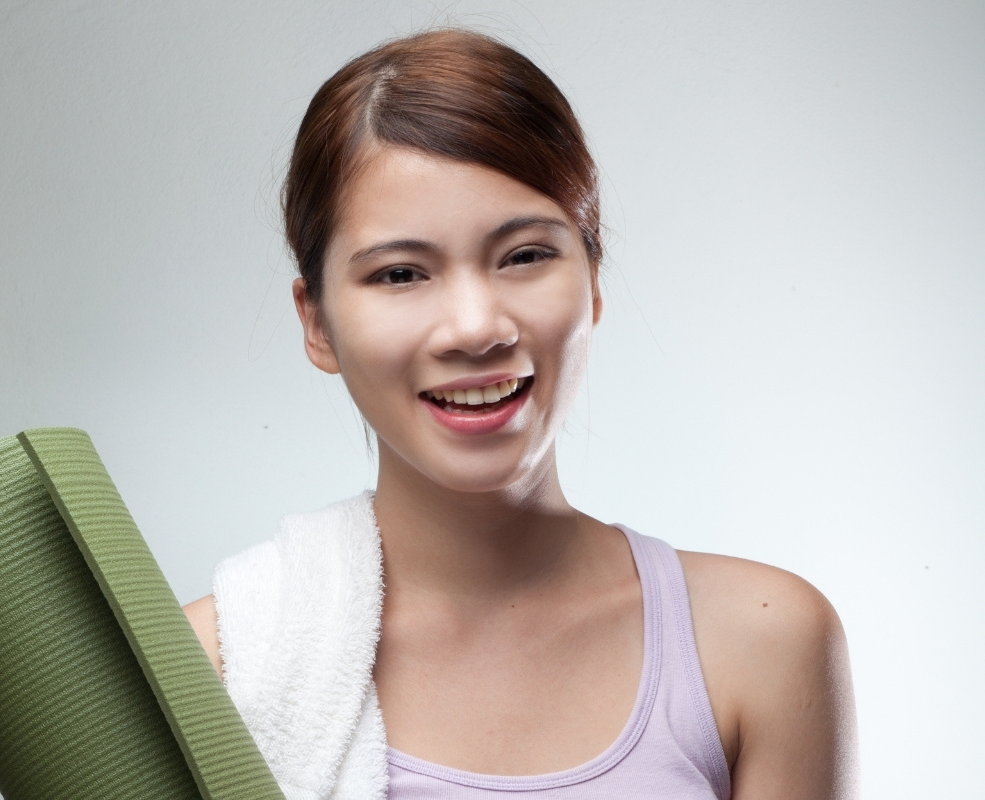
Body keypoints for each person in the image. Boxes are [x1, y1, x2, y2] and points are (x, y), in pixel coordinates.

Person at [184, 28, 857, 800]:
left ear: (593, 280)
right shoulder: (216, 666)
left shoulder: (760, 644)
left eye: (526, 255)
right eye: (400, 273)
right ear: (317, 323)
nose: (476, 328)